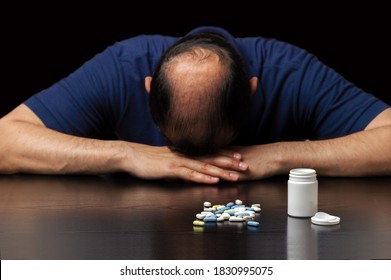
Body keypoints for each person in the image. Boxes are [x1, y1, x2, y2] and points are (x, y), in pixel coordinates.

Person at [0, 26, 390, 184]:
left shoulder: (289, 70)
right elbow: (6, 139)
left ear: (253, 91)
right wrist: (126, 154)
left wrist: (281, 156)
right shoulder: (123, 67)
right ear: (148, 88)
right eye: (179, 147)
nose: (200, 166)